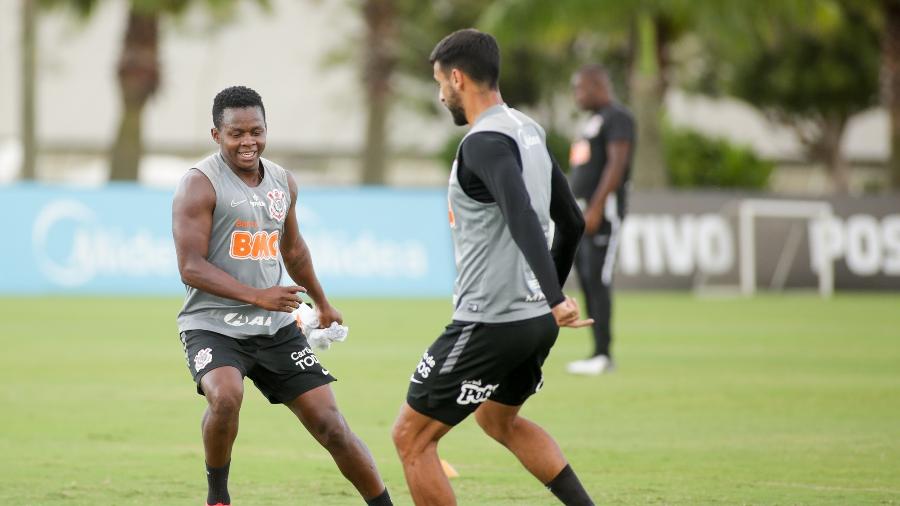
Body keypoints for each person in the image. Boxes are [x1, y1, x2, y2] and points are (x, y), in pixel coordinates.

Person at [391, 29, 596, 506]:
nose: (441, 94)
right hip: (532, 324)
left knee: (411, 438)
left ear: (458, 78)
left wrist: (554, 297)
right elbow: (572, 221)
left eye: (441, 83)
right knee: (497, 420)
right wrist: (550, 299)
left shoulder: (482, 143)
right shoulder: (528, 129)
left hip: (490, 321)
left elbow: (521, 211)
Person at [172, 86, 392, 506]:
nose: (248, 142)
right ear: (216, 135)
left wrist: (323, 304)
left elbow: (294, 250)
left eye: (256, 131)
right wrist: (258, 295)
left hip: (276, 327)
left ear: (266, 129)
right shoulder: (198, 185)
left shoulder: (282, 181)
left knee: (331, 424)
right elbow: (190, 267)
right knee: (225, 397)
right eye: (236, 133)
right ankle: (218, 495)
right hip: (212, 325)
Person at [565, 64, 636, 376]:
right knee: (587, 279)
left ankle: (604, 354)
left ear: (597, 85)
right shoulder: (593, 122)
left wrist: (596, 207)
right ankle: (596, 352)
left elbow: (616, 164)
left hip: (603, 215)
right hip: (582, 213)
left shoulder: (617, 117)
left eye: (580, 88)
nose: (577, 95)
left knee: (599, 279)